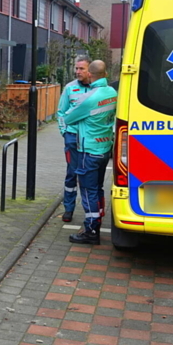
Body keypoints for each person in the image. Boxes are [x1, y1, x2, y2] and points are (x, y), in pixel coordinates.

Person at [62, 60, 117, 245]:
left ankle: (91, 230)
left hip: (89, 150)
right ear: (106, 74)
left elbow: (68, 118)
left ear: (90, 75)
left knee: (88, 191)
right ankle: (98, 218)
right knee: (98, 188)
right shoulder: (112, 92)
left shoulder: (89, 98)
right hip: (105, 149)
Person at [56, 56, 92, 223]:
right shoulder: (70, 88)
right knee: (71, 174)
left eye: (81, 69)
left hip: (90, 139)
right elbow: (61, 112)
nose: (77, 71)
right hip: (72, 138)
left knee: (89, 176)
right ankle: (68, 209)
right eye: (76, 68)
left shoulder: (97, 89)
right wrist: (65, 132)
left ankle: (90, 211)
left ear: (90, 70)